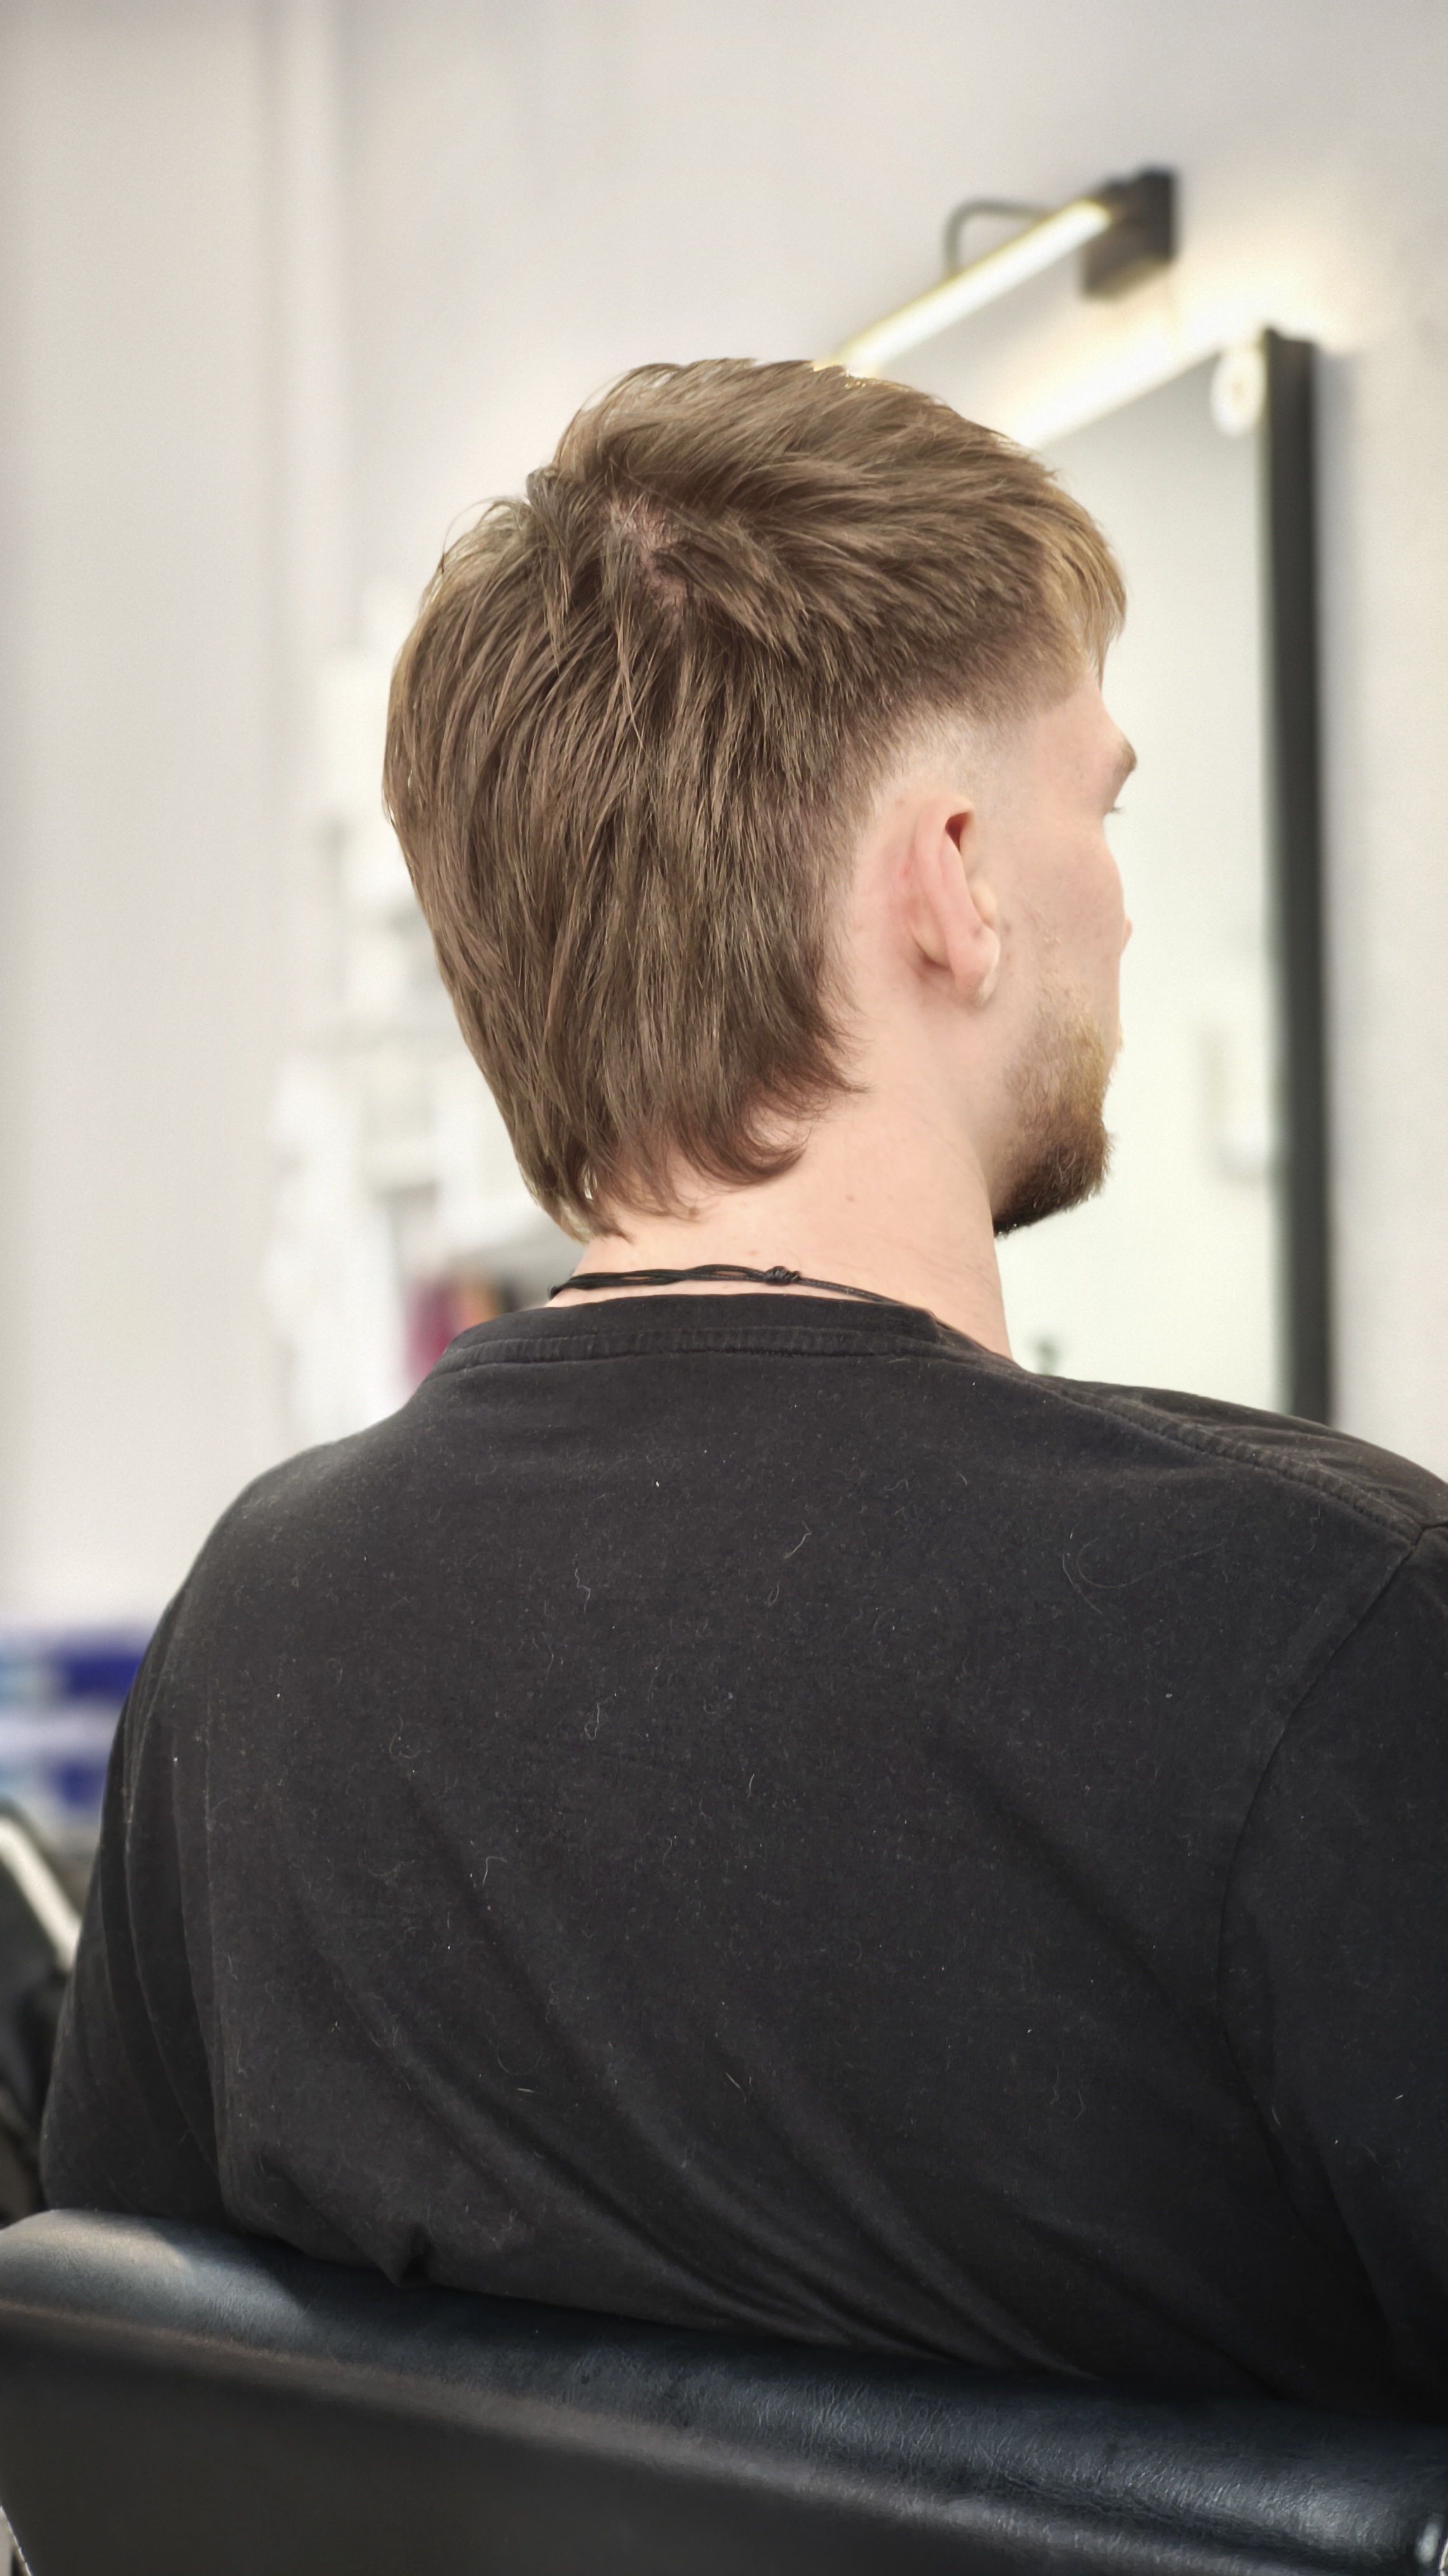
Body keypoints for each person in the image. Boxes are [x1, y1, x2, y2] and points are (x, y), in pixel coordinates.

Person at [42, 361, 1448, 2419]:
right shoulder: (1323, 1632)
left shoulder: (257, 1632)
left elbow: (135, 2431)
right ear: (950, 877)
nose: (1122, 898)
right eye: (1099, 803)